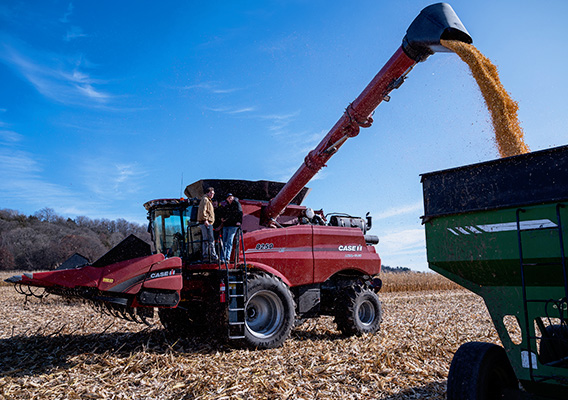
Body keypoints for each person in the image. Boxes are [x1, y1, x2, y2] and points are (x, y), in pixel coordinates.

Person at [197, 187, 218, 262]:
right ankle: (210, 255)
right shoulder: (205, 200)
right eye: (211, 193)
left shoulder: (207, 200)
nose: (213, 195)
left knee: (208, 239)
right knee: (208, 239)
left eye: (213, 193)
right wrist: (205, 220)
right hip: (206, 223)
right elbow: (203, 210)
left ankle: (208, 254)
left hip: (207, 222)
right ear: (208, 193)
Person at [220, 193, 243, 262]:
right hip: (226, 225)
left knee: (229, 241)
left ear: (233, 197)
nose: (230, 199)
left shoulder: (237, 204)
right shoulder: (227, 206)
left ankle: (227, 257)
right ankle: (222, 258)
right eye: (228, 198)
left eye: (231, 197)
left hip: (233, 225)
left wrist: (239, 221)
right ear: (227, 199)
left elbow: (240, 213)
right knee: (224, 242)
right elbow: (226, 214)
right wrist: (223, 218)